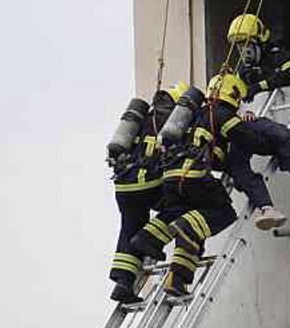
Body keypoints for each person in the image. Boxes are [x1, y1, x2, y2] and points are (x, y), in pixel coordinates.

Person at [130, 73, 269, 297]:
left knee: (184, 221)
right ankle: (183, 228)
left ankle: (170, 270)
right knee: (222, 213)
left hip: (170, 177)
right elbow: (245, 138)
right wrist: (269, 143)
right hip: (193, 175)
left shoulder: (188, 118)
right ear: (233, 95)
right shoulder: (220, 113)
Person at [106, 82, 189, 304]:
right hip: (150, 183)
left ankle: (123, 283)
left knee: (129, 227)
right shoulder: (174, 121)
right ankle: (149, 239)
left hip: (123, 186)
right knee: (181, 206)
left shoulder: (141, 120)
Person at [226, 110, 290, 230]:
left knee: (284, 136)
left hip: (247, 125)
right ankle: (267, 209)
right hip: (232, 138)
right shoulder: (205, 114)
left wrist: (248, 111)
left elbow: (248, 93)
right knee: (241, 172)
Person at [227, 14, 290, 102]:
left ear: (260, 42)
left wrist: (259, 87)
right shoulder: (243, 72)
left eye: (248, 45)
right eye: (240, 47)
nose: (244, 51)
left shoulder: (278, 56)